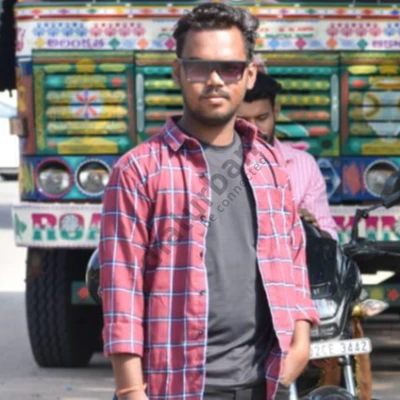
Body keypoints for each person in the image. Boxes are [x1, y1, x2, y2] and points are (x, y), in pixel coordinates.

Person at [99, 3, 319, 400]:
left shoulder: (268, 162)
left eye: (229, 68)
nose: (215, 80)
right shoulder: (139, 170)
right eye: (199, 67)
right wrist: (130, 389)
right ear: (178, 72)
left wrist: (301, 333)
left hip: (262, 380)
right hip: (177, 384)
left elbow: (291, 253)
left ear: (249, 75)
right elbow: (121, 288)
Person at [238, 72, 338, 240]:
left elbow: (330, 237)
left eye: (262, 118)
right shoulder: (212, 164)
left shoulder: (304, 164)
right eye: (243, 120)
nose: (253, 129)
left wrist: (311, 229)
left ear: (276, 112)